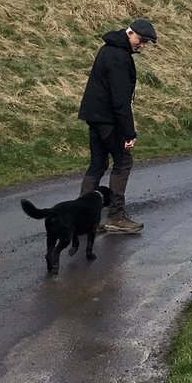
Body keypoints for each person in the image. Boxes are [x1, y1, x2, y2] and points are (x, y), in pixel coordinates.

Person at [77, 18, 157, 233]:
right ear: (130, 33)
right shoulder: (119, 57)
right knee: (123, 162)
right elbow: (120, 100)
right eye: (141, 40)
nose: (141, 45)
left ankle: (83, 219)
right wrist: (129, 133)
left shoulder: (108, 48)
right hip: (108, 119)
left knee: (98, 164)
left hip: (94, 116)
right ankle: (116, 216)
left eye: (145, 43)